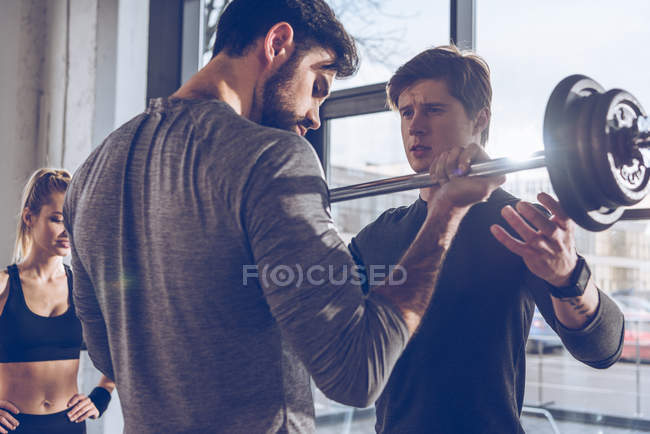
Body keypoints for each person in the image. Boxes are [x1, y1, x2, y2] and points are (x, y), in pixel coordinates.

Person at [63, 1, 505, 433]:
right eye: (317, 86)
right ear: (277, 43)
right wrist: (447, 210)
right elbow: (358, 374)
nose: (314, 117)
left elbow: (107, 355)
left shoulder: (91, 174)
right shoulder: (272, 158)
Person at [347, 45, 626, 434]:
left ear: (480, 119)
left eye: (434, 109)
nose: (415, 125)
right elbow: (335, 348)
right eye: (407, 112)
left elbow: (603, 349)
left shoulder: (520, 223)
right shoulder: (376, 236)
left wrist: (570, 276)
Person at [0, 168, 115, 434]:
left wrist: (102, 396)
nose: (67, 231)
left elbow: (123, 345)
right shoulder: (6, 285)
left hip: (70, 426)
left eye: (74, 220)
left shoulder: (85, 288)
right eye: (57, 219)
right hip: (14, 428)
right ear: (29, 217)